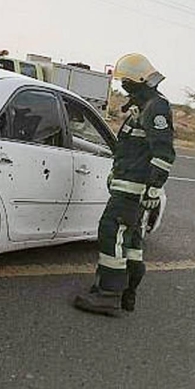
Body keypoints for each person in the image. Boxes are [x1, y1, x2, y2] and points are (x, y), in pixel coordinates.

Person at [74, 53, 175, 316]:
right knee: (129, 240)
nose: (123, 87)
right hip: (127, 186)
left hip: (133, 190)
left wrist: (153, 188)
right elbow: (131, 150)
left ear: (139, 81)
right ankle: (126, 292)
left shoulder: (156, 108)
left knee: (111, 233)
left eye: (126, 82)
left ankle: (109, 295)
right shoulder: (143, 107)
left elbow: (163, 154)